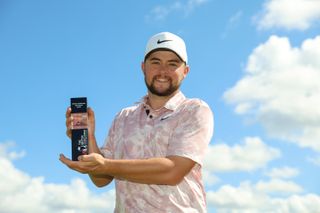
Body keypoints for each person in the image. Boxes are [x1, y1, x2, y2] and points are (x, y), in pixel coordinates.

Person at [60, 32, 214, 213]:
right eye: (155, 62)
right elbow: (101, 179)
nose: (163, 71)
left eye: (172, 64)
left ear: (185, 71)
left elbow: (172, 171)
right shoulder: (123, 117)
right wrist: (90, 138)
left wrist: (106, 165)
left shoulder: (194, 110)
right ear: (143, 67)